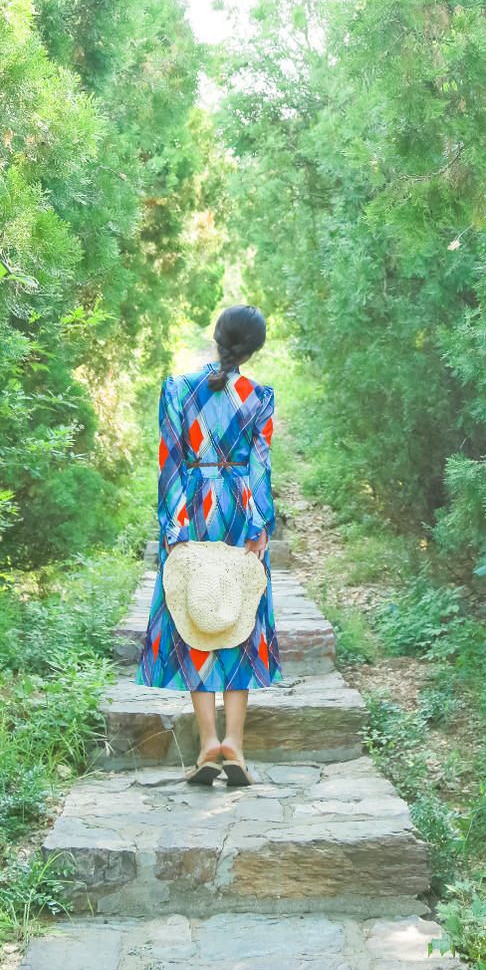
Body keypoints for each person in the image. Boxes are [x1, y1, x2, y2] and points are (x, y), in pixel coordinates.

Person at [138, 304, 280, 785]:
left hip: (192, 509)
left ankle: (207, 748)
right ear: (253, 349)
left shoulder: (178, 389)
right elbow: (260, 465)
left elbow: (170, 461)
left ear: (216, 337)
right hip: (240, 511)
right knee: (239, 620)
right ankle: (234, 744)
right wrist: (260, 524)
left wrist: (174, 529)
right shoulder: (259, 396)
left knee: (194, 615)